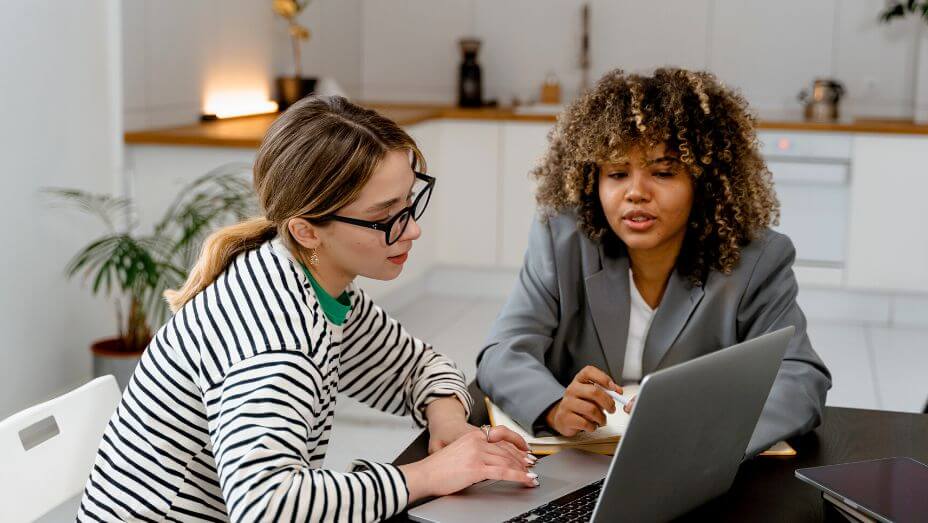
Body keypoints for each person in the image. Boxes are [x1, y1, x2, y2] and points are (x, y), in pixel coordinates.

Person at [78, 96, 537, 522]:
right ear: (307, 231)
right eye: (386, 217)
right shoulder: (277, 337)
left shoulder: (311, 284)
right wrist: (428, 475)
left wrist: (450, 425)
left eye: (409, 203)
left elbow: (418, 366)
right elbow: (265, 505)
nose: (412, 229)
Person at [476, 68, 831, 457]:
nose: (635, 193)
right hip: (577, 463)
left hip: (693, 471)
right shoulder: (563, 239)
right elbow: (502, 352)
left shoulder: (756, 259)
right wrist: (553, 405)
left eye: (663, 172)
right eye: (616, 173)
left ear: (704, 181)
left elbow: (800, 379)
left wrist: (710, 433)